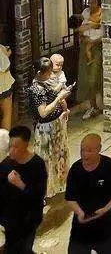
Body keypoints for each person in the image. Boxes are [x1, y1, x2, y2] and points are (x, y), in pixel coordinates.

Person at [65, 133, 111, 254]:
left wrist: (106, 209)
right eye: (82, 150)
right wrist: (79, 212)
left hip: (107, 224)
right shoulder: (75, 169)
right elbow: (70, 198)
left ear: (99, 149)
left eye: (89, 151)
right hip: (81, 227)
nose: (85, 154)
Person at [27, 56, 70, 199]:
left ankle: (57, 186)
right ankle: (43, 192)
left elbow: (53, 95)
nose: (51, 74)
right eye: (49, 72)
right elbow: (43, 113)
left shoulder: (44, 83)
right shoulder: (36, 89)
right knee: (46, 161)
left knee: (58, 156)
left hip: (55, 124)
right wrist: (58, 98)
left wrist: (62, 100)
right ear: (40, 73)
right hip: (46, 129)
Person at [0, 124, 47, 254]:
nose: (11, 151)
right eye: (10, 146)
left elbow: (38, 195)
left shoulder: (37, 165)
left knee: (24, 249)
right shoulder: (6, 164)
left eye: (16, 147)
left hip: (28, 220)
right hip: (9, 219)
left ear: (25, 145)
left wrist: (21, 184)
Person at [75, 0, 104, 120]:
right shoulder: (85, 13)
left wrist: (92, 41)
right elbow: (79, 29)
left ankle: (104, 103)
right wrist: (84, 37)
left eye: (93, 2)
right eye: (89, 2)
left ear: (98, 2)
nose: (90, 5)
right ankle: (93, 106)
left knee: (95, 78)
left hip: (97, 48)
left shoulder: (103, 13)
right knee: (87, 79)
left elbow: (104, 33)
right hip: (85, 47)